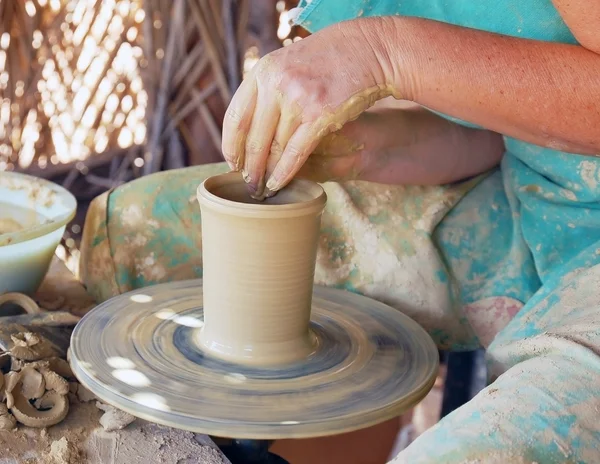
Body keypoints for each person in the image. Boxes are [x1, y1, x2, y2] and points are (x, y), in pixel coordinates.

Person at [81, 0, 600, 462]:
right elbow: (500, 127)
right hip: (538, 196)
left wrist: (383, 51)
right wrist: (368, 150)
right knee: (131, 230)